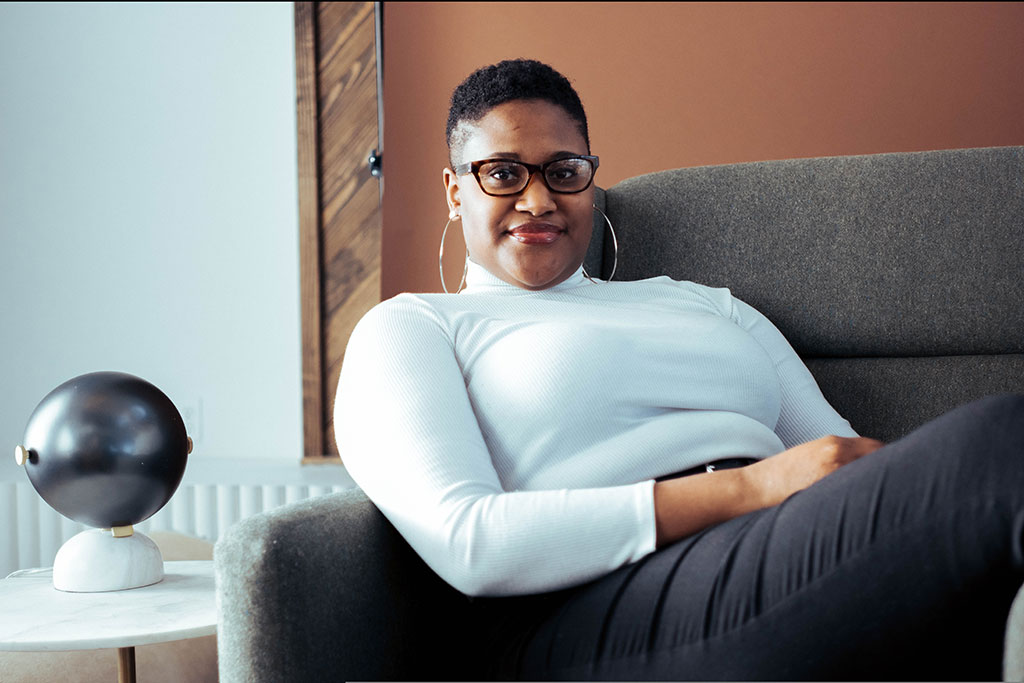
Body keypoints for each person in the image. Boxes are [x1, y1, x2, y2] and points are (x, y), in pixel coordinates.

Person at [334, 58, 1024, 680]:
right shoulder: (416, 327)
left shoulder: (704, 305)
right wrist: (750, 486)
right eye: (504, 173)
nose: (538, 200)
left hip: (772, 557)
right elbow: (471, 541)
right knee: (1003, 441)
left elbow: (841, 462)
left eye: (564, 172)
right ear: (456, 192)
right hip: (589, 608)